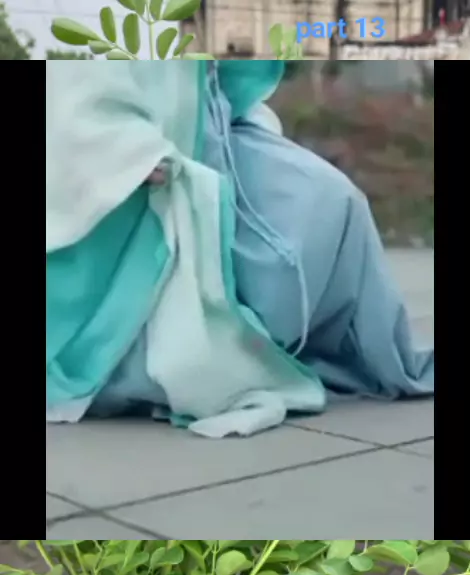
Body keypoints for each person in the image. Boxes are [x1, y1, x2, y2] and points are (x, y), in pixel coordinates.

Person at [46, 60, 433, 438]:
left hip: (212, 126)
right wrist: (131, 151)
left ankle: (360, 352)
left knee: (334, 199)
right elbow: (77, 89)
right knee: (212, 258)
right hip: (142, 153)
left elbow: (231, 75)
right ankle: (198, 353)